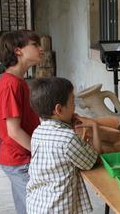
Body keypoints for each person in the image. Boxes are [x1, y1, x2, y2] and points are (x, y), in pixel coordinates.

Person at [27, 77, 101, 213]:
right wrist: (94, 126)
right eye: (73, 102)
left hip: (37, 204)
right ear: (59, 109)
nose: (74, 107)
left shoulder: (38, 132)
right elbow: (94, 160)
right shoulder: (68, 139)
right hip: (58, 208)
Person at [0, 30, 43, 213]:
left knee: (26, 208)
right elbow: (13, 131)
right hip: (19, 160)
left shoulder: (18, 81)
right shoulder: (10, 84)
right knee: (37, 207)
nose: (40, 49)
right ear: (18, 51)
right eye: (35, 45)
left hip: (21, 157)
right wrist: (41, 152)